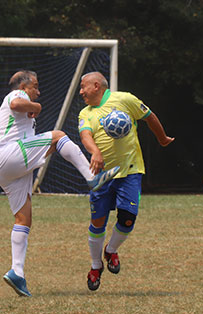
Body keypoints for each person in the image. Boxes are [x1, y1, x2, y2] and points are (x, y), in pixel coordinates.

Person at [0, 70, 120, 297]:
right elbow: (16, 104)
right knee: (59, 135)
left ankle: (16, 273)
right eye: (35, 86)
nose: (38, 92)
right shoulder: (15, 95)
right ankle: (91, 177)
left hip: (4, 169)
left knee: (23, 219)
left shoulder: (22, 108)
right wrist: (36, 107)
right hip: (8, 155)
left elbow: (44, 143)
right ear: (23, 87)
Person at [78, 71, 174, 291]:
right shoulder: (86, 113)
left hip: (130, 170)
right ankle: (96, 266)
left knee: (128, 219)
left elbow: (149, 116)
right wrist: (95, 152)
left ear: (96, 85)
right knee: (98, 222)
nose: (81, 92)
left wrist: (162, 138)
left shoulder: (125, 99)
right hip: (102, 175)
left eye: (83, 87)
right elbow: (85, 135)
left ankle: (111, 250)